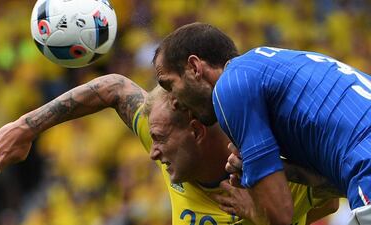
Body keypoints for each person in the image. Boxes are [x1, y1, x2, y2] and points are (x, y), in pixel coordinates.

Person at [0, 74, 337, 224]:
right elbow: (114, 87)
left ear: (196, 132)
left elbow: (331, 197)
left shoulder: (270, 163)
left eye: (159, 139)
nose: (152, 152)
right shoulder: (173, 147)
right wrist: (26, 126)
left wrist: (264, 218)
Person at [153, 22, 371, 225]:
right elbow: (334, 189)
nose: (174, 101)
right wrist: (284, 170)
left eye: (169, 85)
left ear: (194, 67)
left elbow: (281, 216)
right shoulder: (269, 64)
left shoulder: (230, 88)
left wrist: (253, 210)